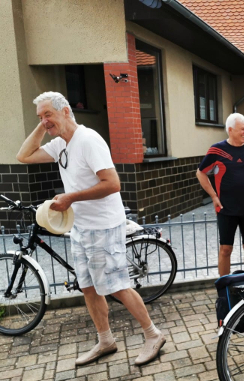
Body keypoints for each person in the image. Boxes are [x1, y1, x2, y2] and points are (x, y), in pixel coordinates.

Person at [17, 92, 166, 366]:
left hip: (103, 225)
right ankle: (106, 340)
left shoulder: (88, 140)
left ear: (65, 112)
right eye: (40, 117)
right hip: (80, 227)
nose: (45, 121)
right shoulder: (60, 143)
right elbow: (23, 155)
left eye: (48, 114)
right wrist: (44, 124)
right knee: (88, 287)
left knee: (116, 286)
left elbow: (112, 183)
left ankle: (153, 334)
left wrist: (70, 197)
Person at [197, 113, 244, 276]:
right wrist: (213, 196)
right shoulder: (217, 150)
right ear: (230, 130)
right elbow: (201, 173)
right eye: (242, 129)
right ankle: (224, 287)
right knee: (226, 249)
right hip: (226, 209)